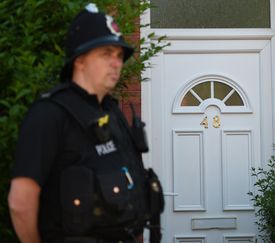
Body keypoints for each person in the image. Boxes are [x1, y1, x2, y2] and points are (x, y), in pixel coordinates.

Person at [8, 3, 163, 243]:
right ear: (79, 60)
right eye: (106, 53)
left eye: (119, 56)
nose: (116, 63)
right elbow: (20, 202)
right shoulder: (49, 115)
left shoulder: (113, 112)